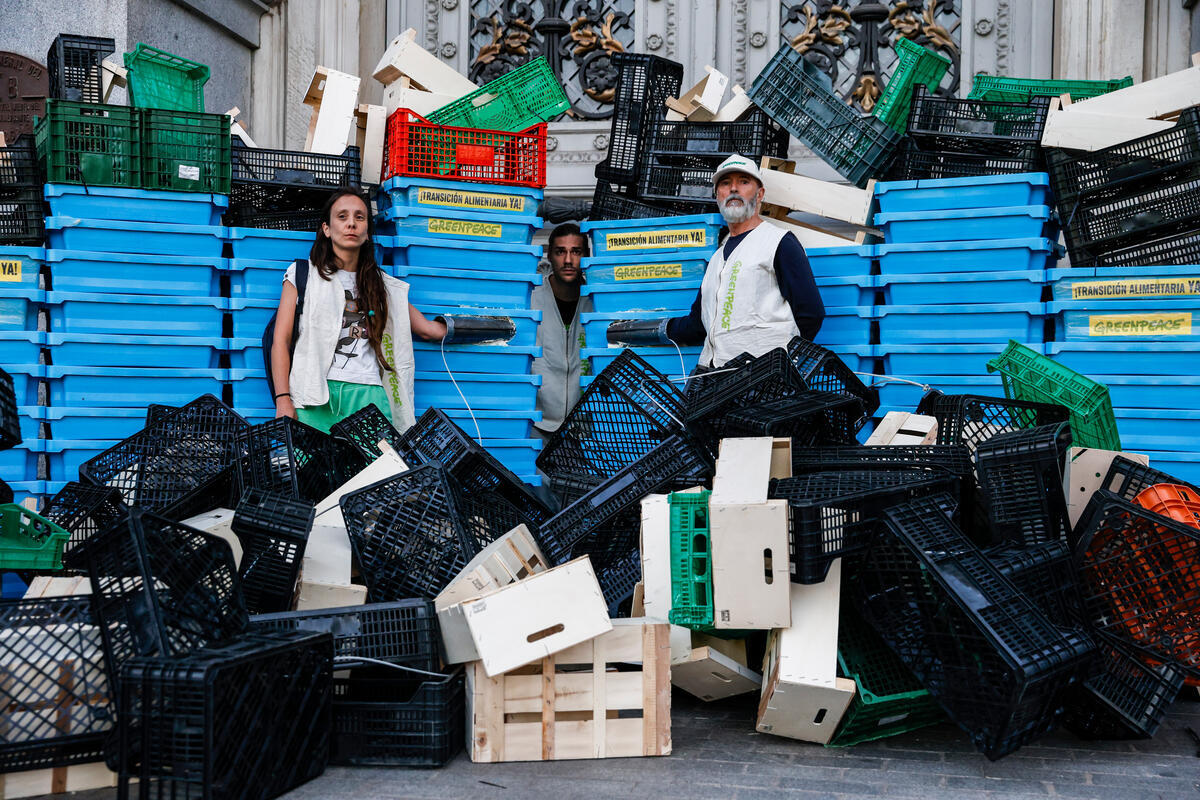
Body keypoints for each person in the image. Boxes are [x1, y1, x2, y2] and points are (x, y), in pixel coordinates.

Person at [608, 153, 825, 368]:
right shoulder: (716, 259)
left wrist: (781, 365)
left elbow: (811, 314)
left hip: (764, 382)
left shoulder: (779, 243)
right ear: (717, 196)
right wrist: (631, 332)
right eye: (725, 183)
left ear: (759, 195)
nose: (733, 188)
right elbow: (697, 325)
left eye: (744, 181)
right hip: (719, 380)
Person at [271, 188, 447, 433]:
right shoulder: (303, 274)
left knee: (376, 471)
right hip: (314, 393)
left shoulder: (383, 285)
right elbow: (281, 341)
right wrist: (282, 399)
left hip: (368, 394)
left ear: (367, 233)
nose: (351, 223)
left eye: (359, 217)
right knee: (313, 470)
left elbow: (428, 330)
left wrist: (480, 328)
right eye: (342, 217)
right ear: (327, 229)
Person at [531, 222, 594, 437]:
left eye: (576, 252)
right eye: (560, 252)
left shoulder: (596, 300)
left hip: (584, 429)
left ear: (586, 256)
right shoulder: (531, 298)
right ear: (549, 255)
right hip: (536, 425)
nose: (568, 260)